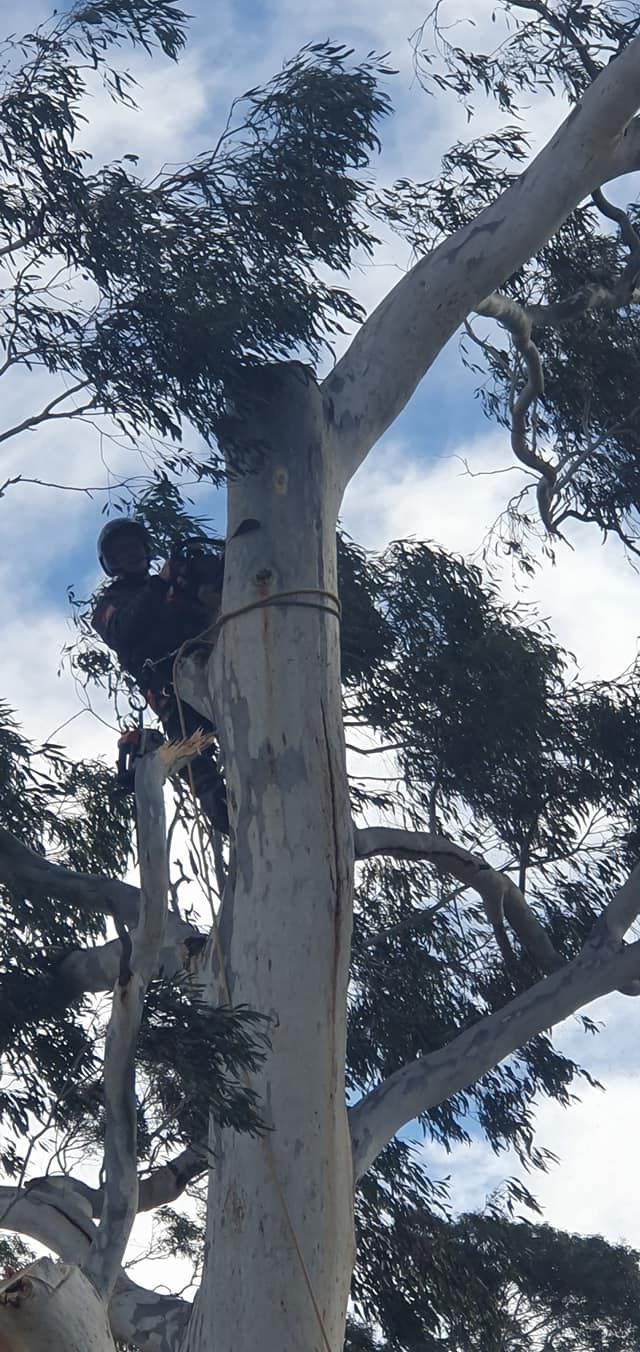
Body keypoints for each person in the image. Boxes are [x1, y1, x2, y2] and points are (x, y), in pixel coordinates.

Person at [91, 518, 228, 833]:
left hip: (214, 664)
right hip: (168, 685)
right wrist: (161, 584)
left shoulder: (172, 588)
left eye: (134, 547)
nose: (130, 554)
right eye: (121, 551)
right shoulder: (109, 605)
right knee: (188, 748)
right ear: (111, 563)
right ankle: (221, 810)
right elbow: (124, 629)